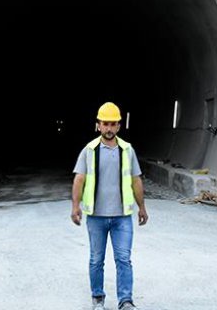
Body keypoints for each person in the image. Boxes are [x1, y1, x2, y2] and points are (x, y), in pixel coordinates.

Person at [71, 102, 148, 310]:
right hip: (96, 216)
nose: (109, 129)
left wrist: (141, 207)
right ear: (98, 125)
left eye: (113, 124)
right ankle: (98, 298)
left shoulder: (127, 150)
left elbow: (135, 180)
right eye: (105, 124)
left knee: (124, 259)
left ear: (119, 126)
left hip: (122, 217)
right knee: (97, 260)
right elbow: (79, 179)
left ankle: (125, 301)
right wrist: (75, 207)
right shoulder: (89, 150)